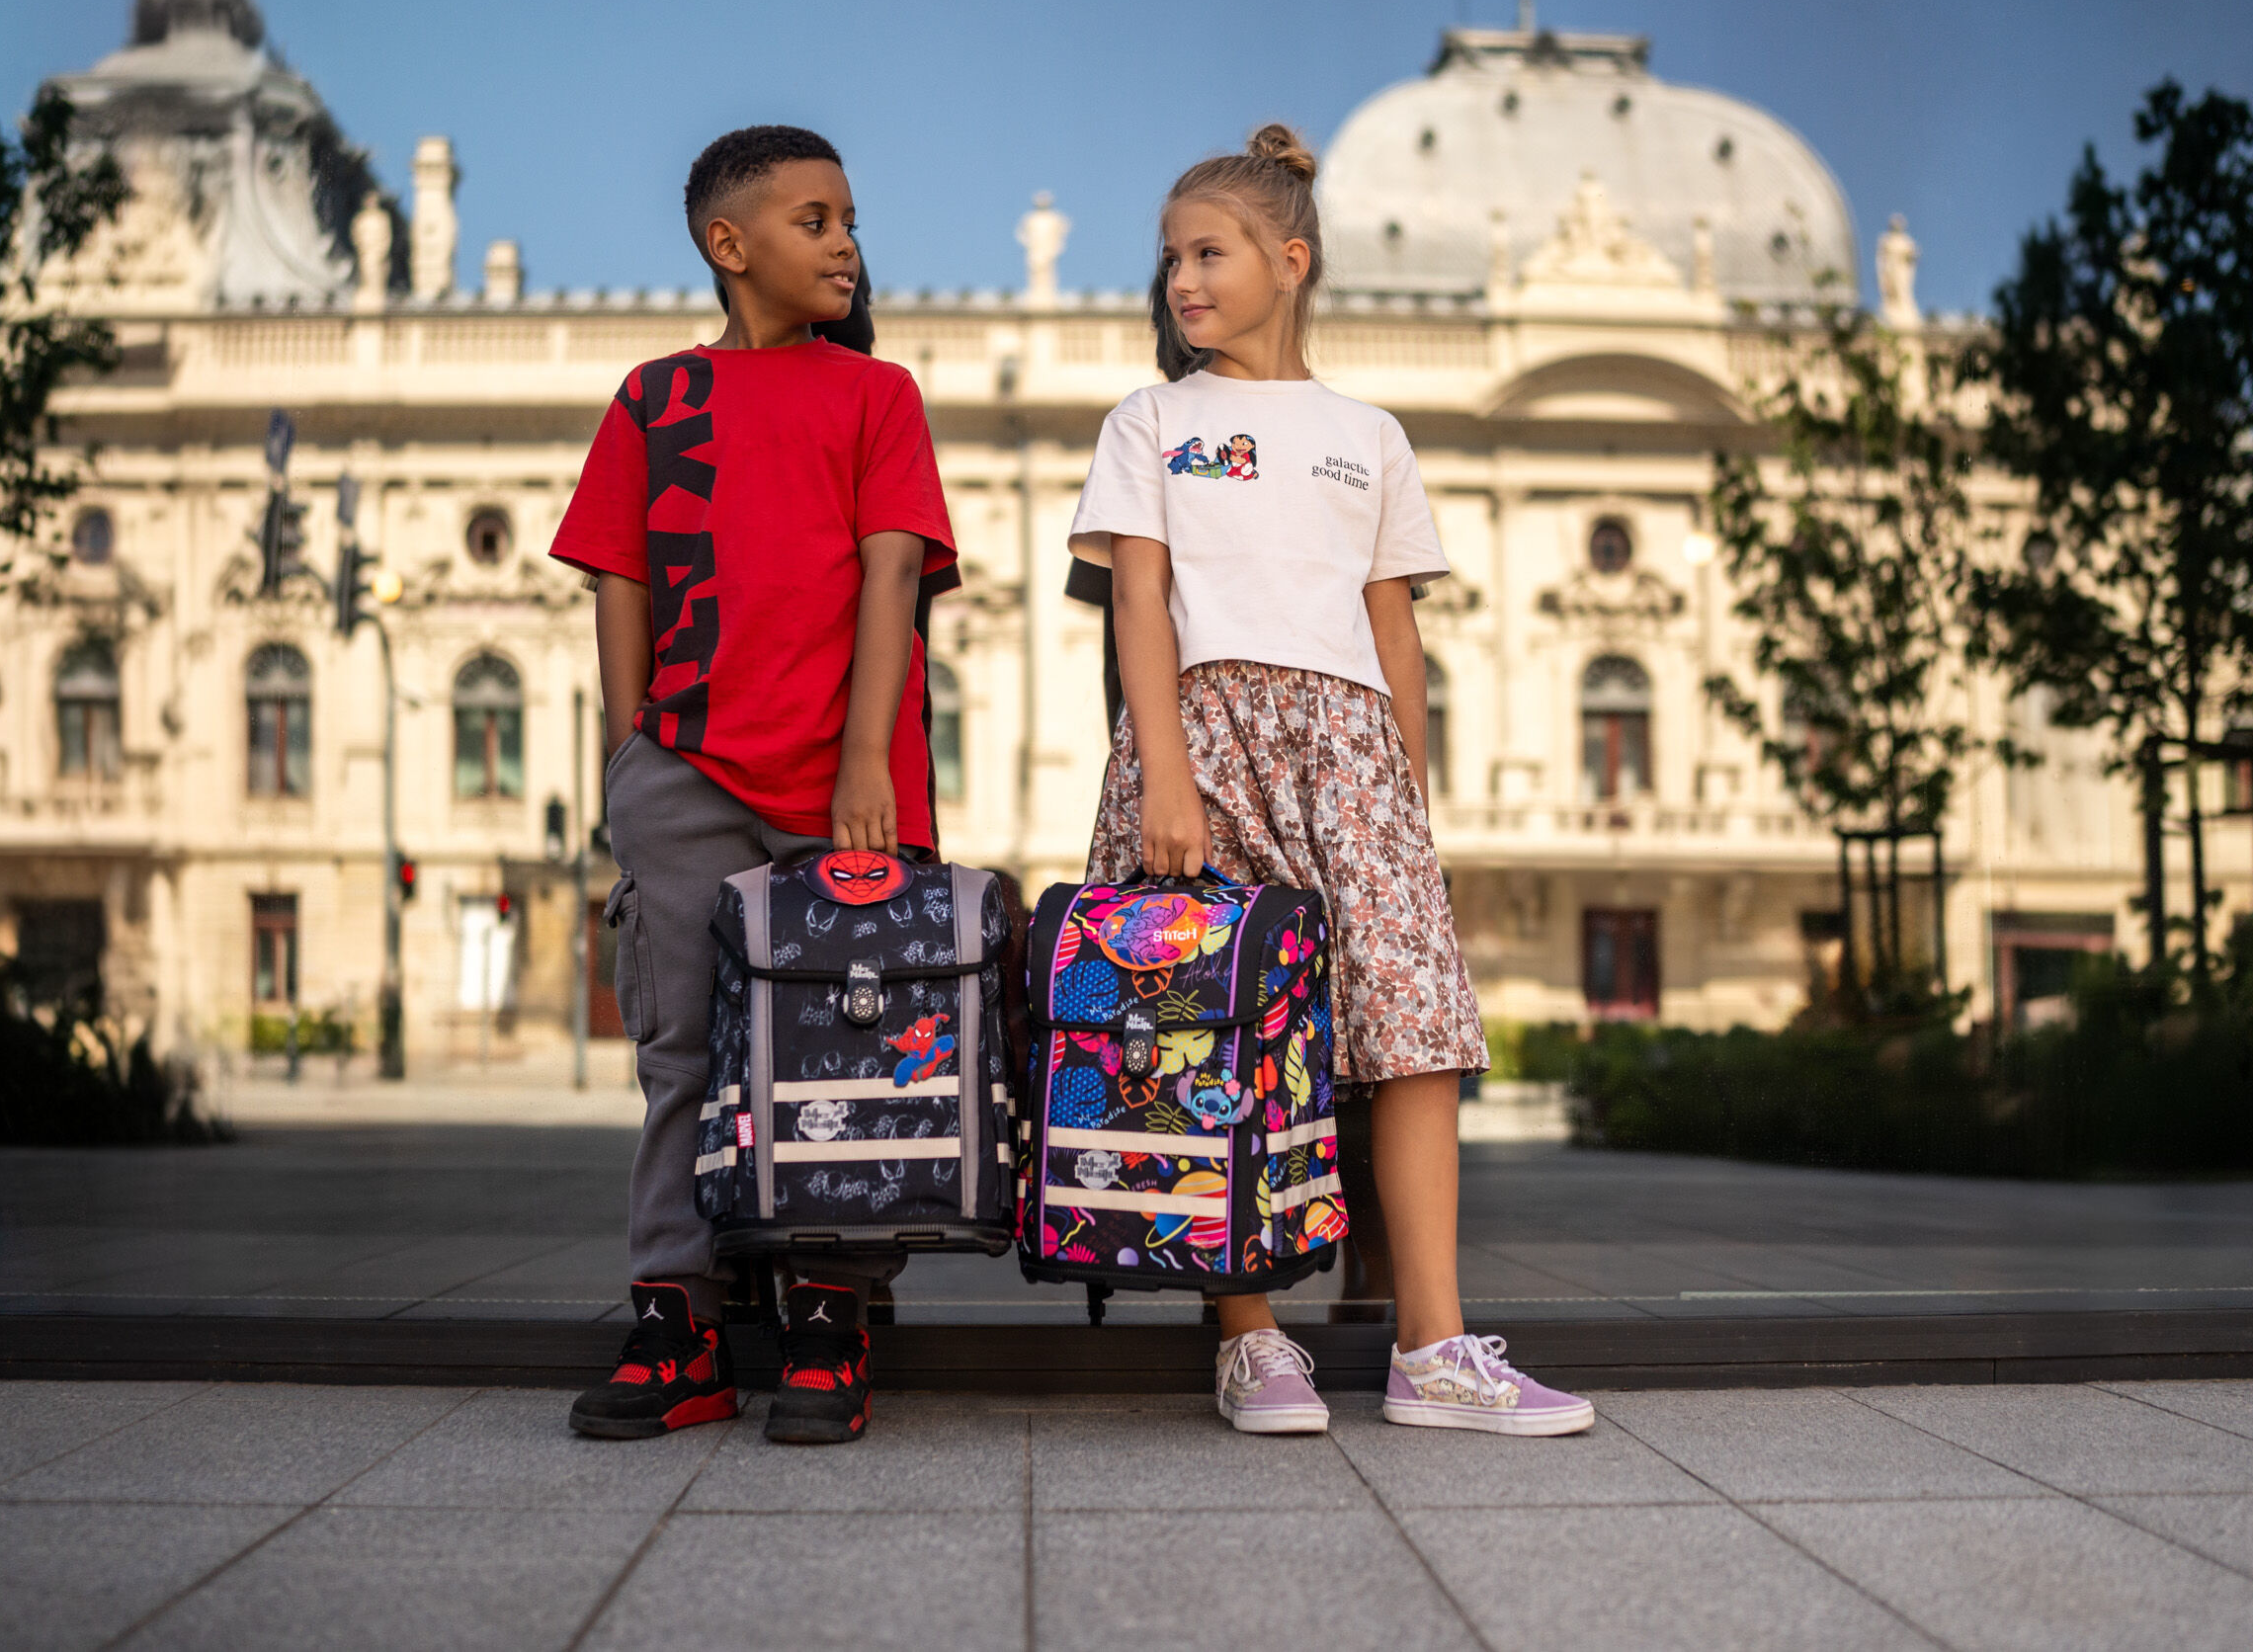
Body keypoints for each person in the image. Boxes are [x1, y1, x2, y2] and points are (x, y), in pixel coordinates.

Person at [1067, 124, 1596, 1439]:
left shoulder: (1371, 435)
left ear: (1290, 261)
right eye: (1170, 257)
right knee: (1212, 1026)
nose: (1182, 279)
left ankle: (1434, 1342)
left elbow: (1394, 627)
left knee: (1412, 1036)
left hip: (1353, 756)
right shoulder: (1151, 421)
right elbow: (1141, 606)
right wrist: (1166, 778)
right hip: (1203, 735)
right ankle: (1246, 1333)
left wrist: (1408, 804)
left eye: (1210, 252)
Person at [548, 125, 957, 1446]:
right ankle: (678, 1322)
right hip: (685, 769)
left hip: (850, 786)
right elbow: (621, 574)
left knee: (844, 1050)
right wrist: (632, 744)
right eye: (813, 219)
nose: (844, 243)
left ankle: (830, 1314)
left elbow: (893, 575)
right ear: (730, 246)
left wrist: (858, 765)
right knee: (679, 1048)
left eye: (847, 220)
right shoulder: (653, 398)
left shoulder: (877, 394)